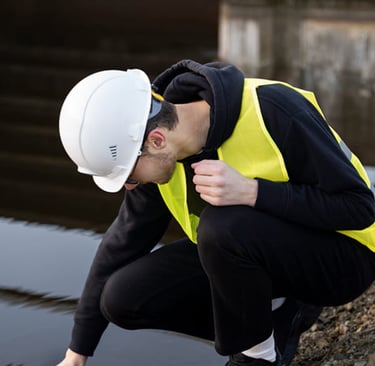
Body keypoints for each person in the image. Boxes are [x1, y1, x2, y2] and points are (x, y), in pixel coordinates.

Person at [57, 59, 375, 366]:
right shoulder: (160, 157)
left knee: (221, 225)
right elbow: (119, 246)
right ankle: (273, 328)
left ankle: (256, 357)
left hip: (345, 256)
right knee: (122, 298)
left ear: (156, 140)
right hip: (252, 253)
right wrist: (77, 352)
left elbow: (360, 208)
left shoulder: (274, 109)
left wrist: (254, 191)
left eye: (128, 175)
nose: (129, 186)